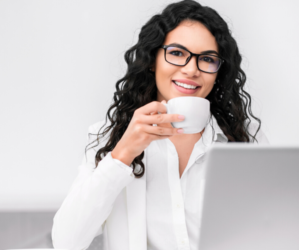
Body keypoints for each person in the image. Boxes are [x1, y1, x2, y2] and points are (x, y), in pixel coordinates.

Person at [52, 0, 269, 249]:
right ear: (153, 59)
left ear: (218, 71)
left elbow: (268, 229)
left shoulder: (245, 138)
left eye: (207, 59)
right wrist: (122, 155)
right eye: (177, 53)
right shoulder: (111, 137)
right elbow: (66, 242)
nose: (191, 70)